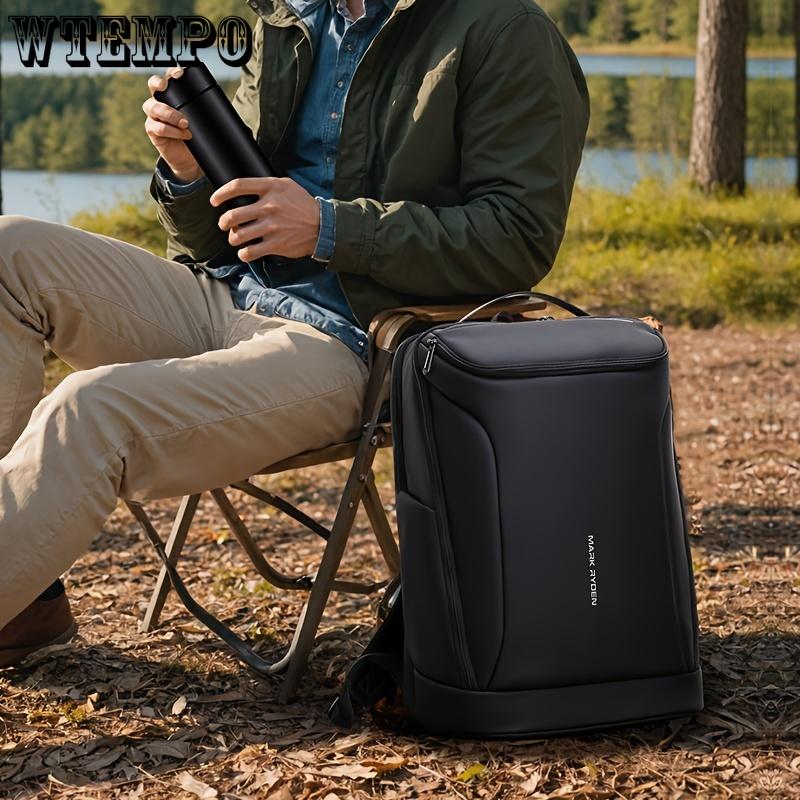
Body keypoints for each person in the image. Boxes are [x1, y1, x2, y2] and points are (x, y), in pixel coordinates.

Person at [0, 0, 589, 666]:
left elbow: (517, 238)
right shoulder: (291, 19)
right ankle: (24, 597)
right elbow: (217, 238)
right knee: (9, 252)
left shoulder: (502, 30)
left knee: (89, 409)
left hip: (351, 342)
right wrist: (189, 173)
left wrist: (329, 227)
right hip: (229, 295)